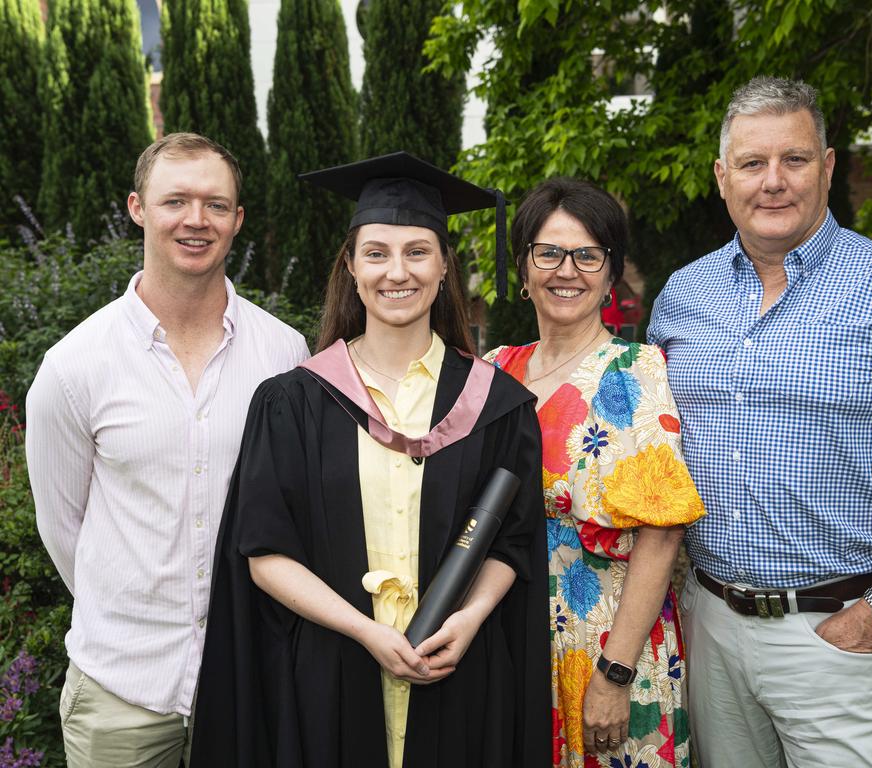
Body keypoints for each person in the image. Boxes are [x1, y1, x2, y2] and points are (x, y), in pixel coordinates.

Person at [648, 76, 872, 768]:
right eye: (753, 164)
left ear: (830, 166)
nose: (774, 182)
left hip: (839, 632)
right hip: (709, 624)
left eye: (795, 159)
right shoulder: (682, 297)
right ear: (723, 178)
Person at [188, 152, 550, 768]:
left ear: (443, 267)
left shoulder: (497, 404)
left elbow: (512, 544)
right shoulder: (293, 402)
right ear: (351, 266)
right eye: (377, 252)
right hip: (331, 676)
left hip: (459, 670)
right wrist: (365, 631)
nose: (396, 272)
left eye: (417, 251)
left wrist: (471, 619)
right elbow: (264, 553)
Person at [25, 132, 309, 767]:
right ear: (137, 208)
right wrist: (129, 602)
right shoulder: (75, 366)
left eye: (215, 204)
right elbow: (61, 525)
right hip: (121, 692)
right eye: (174, 200)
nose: (195, 220)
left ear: (237, 219)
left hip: (249, 680)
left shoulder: (286, 355)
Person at [486, 178, 706, 768]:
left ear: (611, 272)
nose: (568, 270)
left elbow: (662, 535)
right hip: (507, 644)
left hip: (610, 645)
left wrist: (614, 673)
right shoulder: (491, 373)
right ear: (523, 266)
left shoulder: (637, 371)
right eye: (550, 252)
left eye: (589, 255)